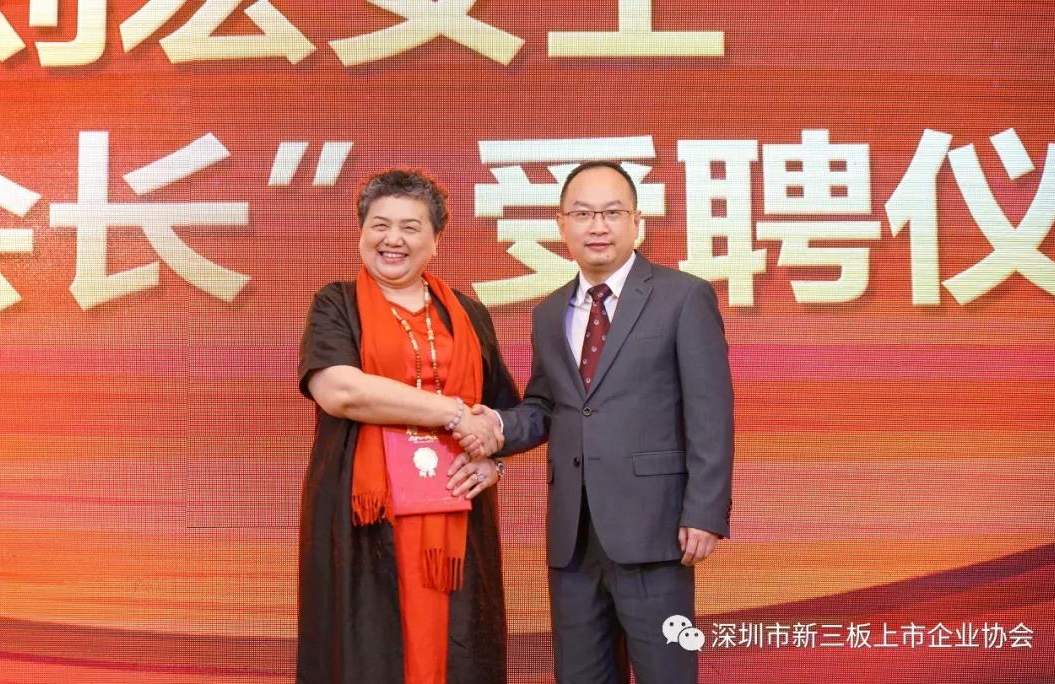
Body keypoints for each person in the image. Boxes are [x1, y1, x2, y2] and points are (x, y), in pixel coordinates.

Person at [460, 161, 734, 683]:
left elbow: (711, 412)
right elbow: (547, 406)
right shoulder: (548, 313)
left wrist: (705, 511)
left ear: (637, 222)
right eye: (583, 214)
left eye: (612, 213)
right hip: (574, 536)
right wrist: (497, 426)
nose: (598, 226)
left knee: (666, 673)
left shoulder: (683, 297)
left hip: (656, 530)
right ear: (561, 224)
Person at [296, 168, 517, 684]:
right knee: (367, 651)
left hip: (456, 515)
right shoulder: (336, 304)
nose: (392, 239)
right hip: (364, 517)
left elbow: (504, 411)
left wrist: (495, 463)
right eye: (379, 225)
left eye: (410, 227)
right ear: (361, 232)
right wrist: (453, 413)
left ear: (435, 241)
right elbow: (342, 391)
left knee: (459, 649)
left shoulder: (468, 314)